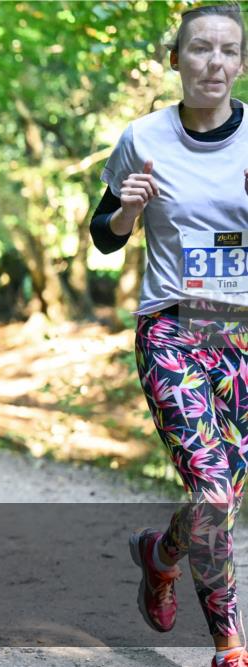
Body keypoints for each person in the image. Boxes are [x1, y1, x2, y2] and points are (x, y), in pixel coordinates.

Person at [90, 6, 248, 667]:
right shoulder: (143, 136)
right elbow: (102, 236)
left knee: (223, 499)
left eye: (229, 51)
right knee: (213, 492)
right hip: (172, 330)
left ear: (240, 64)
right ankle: (230, 647)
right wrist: (127, 207)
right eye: (201, 49)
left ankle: (161, 554)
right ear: (176, 59)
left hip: (241, 335)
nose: (214, 62)